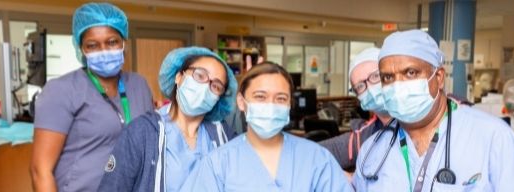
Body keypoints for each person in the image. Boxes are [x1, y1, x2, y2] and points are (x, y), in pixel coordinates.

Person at [353, 30, 514, 192]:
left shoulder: (493, 137)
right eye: (388, 77)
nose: (398, 85)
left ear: (438, 77)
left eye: (410, 73)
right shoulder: (372, 151)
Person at [30, 3, 155, 192]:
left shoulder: (139, 85)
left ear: (124, 42)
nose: (104, 50)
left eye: (112, 42)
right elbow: (40, 170)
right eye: (92, 45)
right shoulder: (61, 90)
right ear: (81, 49)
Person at [179, 62, 352, 192]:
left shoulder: (317, 159)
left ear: (289, 104)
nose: (271, 105)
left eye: (281, 98)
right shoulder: (218, 163)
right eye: (260, 97)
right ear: (241, 101)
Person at [98, 47, 238, 192]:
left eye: (216, 86)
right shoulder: (142, 133)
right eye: (200, 76)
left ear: (219, 98)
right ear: (179, 76)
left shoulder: (222, 135)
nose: (204, 88)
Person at [319, 47, 393, 173]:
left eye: (375, 76)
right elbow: (315, 154)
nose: (370, 88)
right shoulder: (366, 135)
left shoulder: (420, 123)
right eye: (360, 86)